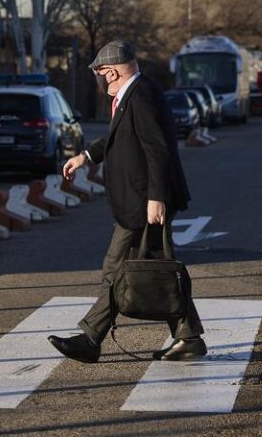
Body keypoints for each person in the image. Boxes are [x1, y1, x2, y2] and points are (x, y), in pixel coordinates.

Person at [48, 40, 207, 363]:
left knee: (117, 267)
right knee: (159, 270)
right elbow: (118, 136)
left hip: (143, 202)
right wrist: (86, 156)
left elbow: (157, 150)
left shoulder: (142, 95)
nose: (99, 81)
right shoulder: (133, 95)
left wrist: (156, 198)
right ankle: (188, 337)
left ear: (111, 72)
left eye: (100, 74)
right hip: (138, 200)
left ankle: (91, 338)